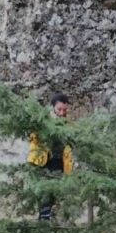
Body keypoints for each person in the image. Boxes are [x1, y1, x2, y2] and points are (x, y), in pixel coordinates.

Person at [27, 92, 73, 221]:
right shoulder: (43, 121)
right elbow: (33, 138)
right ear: (52, 107)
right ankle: (44, 222)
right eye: (59, 109)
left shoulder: (67, 124)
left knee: (54, 195)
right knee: (44, 194)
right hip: (42, 162)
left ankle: (47, 221)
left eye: (64, 110)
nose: (62, 113)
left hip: (59, 163)